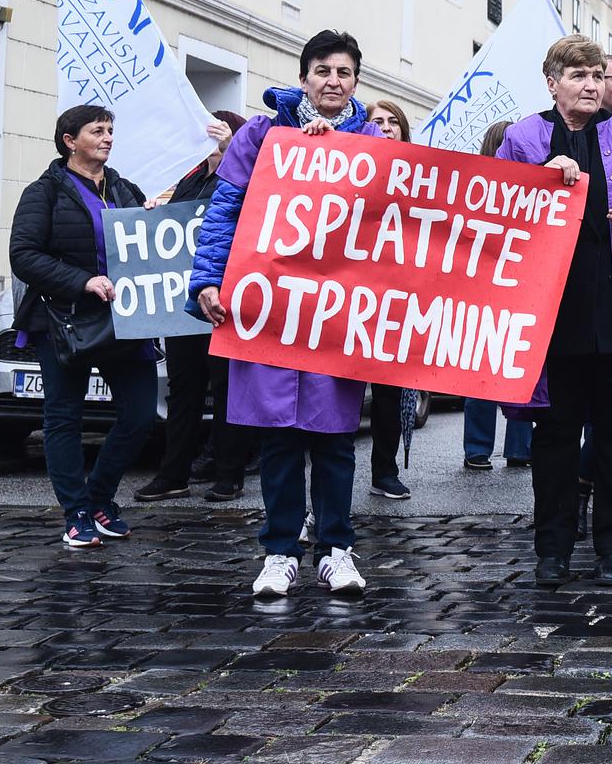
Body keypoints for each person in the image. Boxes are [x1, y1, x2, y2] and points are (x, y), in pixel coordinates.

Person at [192, 31, 383, 596]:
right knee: (276, 438)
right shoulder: (261, 134)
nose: (332, 81)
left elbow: (399, 222)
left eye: (343, 72)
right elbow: (225, 210)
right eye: (322, 70)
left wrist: (337, 152)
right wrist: (208, 279)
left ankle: (336, 549)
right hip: (270, 310)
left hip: (336, 316)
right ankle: (280, 552)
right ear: (304, 77)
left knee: (334, 441)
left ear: (355, 81)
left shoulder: (372, 141)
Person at [497, 35, 612, 586]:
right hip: (552, 315)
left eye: (597, 74)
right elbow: (496, 213)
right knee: (554, 436)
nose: (592, 84)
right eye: (578, 75)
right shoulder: (524, 136)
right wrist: (543, 179)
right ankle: (553, 549)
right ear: (553, 83)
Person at [10, 106, 166, 547]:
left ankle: (98, 498)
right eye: (97, 130)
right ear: (69, 140)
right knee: (64, 418)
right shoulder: (44, 193)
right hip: (63, 321)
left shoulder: (123, 189)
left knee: (138, 416)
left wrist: (152, 218)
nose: (108, 137)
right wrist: (82, 282)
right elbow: (23, 254)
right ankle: (76, 512)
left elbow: (147, 249)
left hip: (124, 320)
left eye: (111, 130)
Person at [135, 110, 255, 504]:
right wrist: (155, 212)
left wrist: (231, 149)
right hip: (184, 302)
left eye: (220, 136)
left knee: (226, 387)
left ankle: (229, 473)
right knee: (183, 387)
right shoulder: (188, 179)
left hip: (226, 300)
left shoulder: (243, 177)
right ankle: (174, 473)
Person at [462, 119, 533, 471]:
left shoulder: (473, 190)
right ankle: (519, 448)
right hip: (515, 288)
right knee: (518, 368)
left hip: (482, 290)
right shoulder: (530, 191)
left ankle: (477, 449)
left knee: (482, 369)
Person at [363, 99, 417, 500]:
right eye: (375, 121)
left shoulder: (421, 175)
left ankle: (385, 469)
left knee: (389, 393)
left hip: (396, 298)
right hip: (352, 292)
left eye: (391, 121)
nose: (384, 127)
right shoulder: (354, 170)